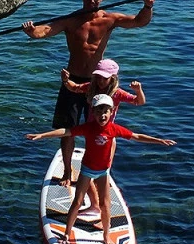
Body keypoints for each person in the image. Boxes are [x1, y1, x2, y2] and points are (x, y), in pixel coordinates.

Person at [22, 0, 155, 187]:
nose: (92, 1)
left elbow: (139, 21)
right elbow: (46, 30)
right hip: (73, 82)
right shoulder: (71, 20)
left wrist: (147, 6)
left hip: (98, 83)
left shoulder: (109, 19)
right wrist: (32, 32)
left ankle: (102, 172)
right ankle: (67, 172)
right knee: (69, 129)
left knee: (104, 130)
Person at [25, 94, 176, 244]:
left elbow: (136, 136)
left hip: (103, 172)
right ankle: (66, 233)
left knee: (105, 205)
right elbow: (66, 132)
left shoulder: (114, 129)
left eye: (105, 111)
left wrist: (159, 141)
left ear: (112, 112)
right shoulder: (88, 128)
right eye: (98, 111)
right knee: (77, 202)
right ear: (93, 112)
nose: (102, 115)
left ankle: (106, 235)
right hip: (87, 170)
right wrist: (42, 135)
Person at [61, 58, 145, 220]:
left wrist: (138, 90)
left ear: (113, 78)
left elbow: (138, 102)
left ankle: (102, 211)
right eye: (98, 77)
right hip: (92, 136)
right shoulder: (91, 88)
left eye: (104, 78)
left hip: (107, 139)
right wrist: (65, 80)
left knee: (101, 175)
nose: (100, 81)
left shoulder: (117, 93)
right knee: (87, 174)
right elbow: (75, 87)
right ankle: (95, 206)